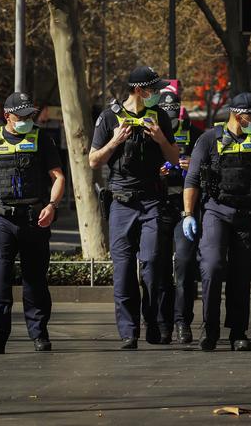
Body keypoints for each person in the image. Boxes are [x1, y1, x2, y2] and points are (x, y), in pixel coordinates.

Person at [182, 92, 251, 352]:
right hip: (216, 211)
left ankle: (238, 332)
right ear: (238, 115)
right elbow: (193, 179)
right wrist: (188, 214)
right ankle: (210, 329)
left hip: (248, 215)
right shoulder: (209, 140)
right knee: (213, 266)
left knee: (241, 274)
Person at [89, 66, 179, 350]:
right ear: (140, 90)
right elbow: (93, 160)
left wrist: (161, 139)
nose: (159, 94)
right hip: (121, 203)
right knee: (124, 270)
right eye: (154, 89)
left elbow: (175, 157)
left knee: (153, 265)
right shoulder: (108, 116)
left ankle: (156, 325)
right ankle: (129, 331)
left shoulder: (159, 116)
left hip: (152, 200)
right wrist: (115, 141)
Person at [0, 92, 65, 353]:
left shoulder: (41, 139)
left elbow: (58, 177)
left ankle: (39, 334)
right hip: (2, 219)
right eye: (21, 115)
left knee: (34, 280)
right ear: (7, 116)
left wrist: (52, 206)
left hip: (35, 219)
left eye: (29, 115)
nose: (26, 119)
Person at [155, 88, 203, 344]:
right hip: (158, 206)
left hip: (187, 209)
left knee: (184, 264)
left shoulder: (196, 135)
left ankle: (183, 322)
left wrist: (192, 165)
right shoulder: (150, 132)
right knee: (158, 266)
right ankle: (163, 323)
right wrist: (157, 171)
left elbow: (209, 167)